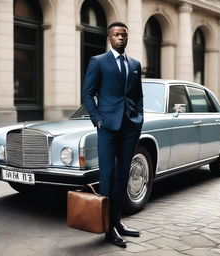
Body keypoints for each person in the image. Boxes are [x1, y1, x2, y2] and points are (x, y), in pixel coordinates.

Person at [82, 21, 143, 248]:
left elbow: (138, 96)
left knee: (122, 177)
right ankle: (108, 229)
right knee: (107, 177)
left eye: (124, 35)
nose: (121, 38)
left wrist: (140, 118)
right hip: (107, 128)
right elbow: (87, 94)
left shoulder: (135, 64)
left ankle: (118, 221)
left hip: (129, 127)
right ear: (109, 38)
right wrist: (98, 120)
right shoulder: (98, 62)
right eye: (117, 35)